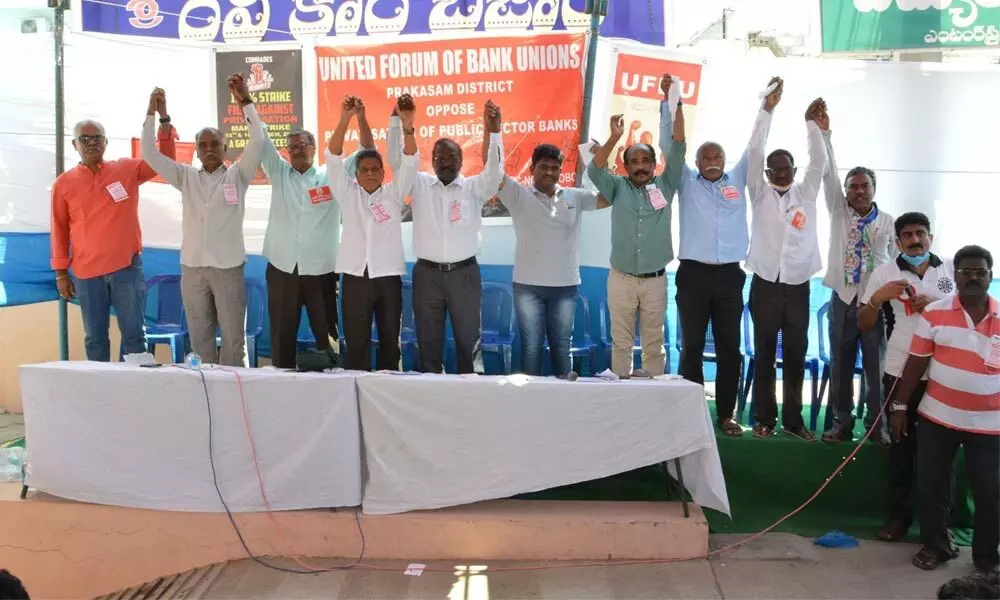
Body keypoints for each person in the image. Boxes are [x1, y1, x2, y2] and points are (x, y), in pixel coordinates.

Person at [672, 77, 777, 437]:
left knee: (730, 348)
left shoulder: (738, 179)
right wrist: (671, 103)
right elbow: (670, 145)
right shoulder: (685, 182)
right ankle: (689, 414)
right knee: (692, 348)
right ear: (697, 162)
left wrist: (767, 108)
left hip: (731, 277)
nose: (713, 161)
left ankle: (726, 415)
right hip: (692, 276)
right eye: (706, 156)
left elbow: (756, 145)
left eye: (717, 156)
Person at [140, 75, 264, 366]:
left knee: (234, 341)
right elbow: (149, 153)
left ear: (225, 147)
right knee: (199, 339)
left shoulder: (239, 175)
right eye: (203, 145)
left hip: (228, 267)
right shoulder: (185, 177)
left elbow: (258, 139)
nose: (209, 149)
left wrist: (245, 100)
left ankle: (235, 397)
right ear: (196, 150)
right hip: (193, 268)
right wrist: (155, 114)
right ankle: (206, 394)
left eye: (214, 144)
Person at [890, 245, 998, 575]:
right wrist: (899, 405)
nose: (974, 277)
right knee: (933, 486)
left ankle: (985, 555)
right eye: (967, 271)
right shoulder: (934, 312)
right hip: (938, 417)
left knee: (991, 492)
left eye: (981, 271)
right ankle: (937, 546)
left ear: (991, 276)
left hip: (991, 426)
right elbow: (916, 363)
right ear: (956, 276)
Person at [50, 90, 176, 362]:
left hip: (126, 269)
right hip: (86, 274)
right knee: (94, 338)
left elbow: (163, 160)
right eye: (85, 138)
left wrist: (162, 117)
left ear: (105, 143)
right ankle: (101, 398)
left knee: (134, 336)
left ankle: (136, 395)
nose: (91, 143)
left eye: (96, 138)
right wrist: (61, 272)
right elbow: (59, 228)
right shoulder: (64, 183)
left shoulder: (126, 169)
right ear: (75, 145)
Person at [387, 94, 504, 374]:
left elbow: (494, 173)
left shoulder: (474, 189)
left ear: (462, 160)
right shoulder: (420, 184)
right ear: (433, 161)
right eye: (440, 158)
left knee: (468, 340)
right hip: (427, 276)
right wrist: (398, 121)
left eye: (452, 157)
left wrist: (495, 132)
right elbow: (396, 159)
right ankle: (432, 393)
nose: (446, 162)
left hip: (464, 275)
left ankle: (471, 393)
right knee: (428, 341)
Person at [857, 212, 955, 543]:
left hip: (945, 372)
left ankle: (942, 524)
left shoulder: (952, 268)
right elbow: (864, 323)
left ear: (930, 237)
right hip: (900, 370)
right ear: (897, 241)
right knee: (901, 448)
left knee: (941, 452)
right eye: (908, 235)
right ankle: (899, 518)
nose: (915, 240)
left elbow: (968, 309)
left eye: (921, 234)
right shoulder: (884, 273)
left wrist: (937, 303)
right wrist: (877, 297)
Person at [258, 109, 374, 369]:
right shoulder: (278, 172)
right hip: (282, 268)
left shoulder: (330, 175)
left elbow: (367, 147)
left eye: (302, 145)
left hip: (321, 270)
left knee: (328, 334)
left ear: (314, 147)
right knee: (282, 334)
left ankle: (332, 377)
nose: (297, 150)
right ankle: (280, 380)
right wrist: (245, 101)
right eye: (292, 147)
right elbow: (261, 137)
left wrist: (356, 117)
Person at [587, 74, 685, 378]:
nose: (640, 166)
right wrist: (615, 138)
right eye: (634, 162)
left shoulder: (667, 184)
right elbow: (594, 168)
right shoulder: (617, 187)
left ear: (655, 164)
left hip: (656, 280)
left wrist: (674, 101)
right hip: (622, 279)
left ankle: (654, 399)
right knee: (621, 343)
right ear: (626, 166)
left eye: (646, 161)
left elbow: (679, 144)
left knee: (655, 344)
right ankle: (623, 398)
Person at [745, 89, 828, 440]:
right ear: (766, 172)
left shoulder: (806, 192)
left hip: (797, 285)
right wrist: (766, 109)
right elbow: (753, 150)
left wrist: (812, 125)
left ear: (794, 170)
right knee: (764, 352)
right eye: (774, 168)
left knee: (795, 353)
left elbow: (820, 161)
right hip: (764, 282)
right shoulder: (758, 192)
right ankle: (764, 418)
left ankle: (794, 422)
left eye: (786, 168)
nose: (781, 173)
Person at [818, 108, 896, 444]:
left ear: (874, 189)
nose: (859, 191)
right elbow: (828, 175)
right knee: (841, 365)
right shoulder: (838, 211)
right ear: (846, 191)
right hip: (842, 298)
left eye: (865, 186)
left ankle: (877, 426)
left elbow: (895, 260)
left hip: (874, 303)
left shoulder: (889, 222)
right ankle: (841, 424)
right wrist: (825, 135)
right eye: (854, 186)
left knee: (875, 370)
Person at [495, 144, 609, 376]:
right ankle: (532, 402)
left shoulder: (574, 196)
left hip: (564, 286)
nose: (549, 172)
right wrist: (493, 132)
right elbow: (494, 175)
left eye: (554, 168)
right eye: (543, 166)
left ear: (560, 171)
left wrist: (598, 160)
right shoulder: (517, 194)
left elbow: (608, 197)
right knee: (532, 347)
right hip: (528, 287)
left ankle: (564, 403)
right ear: (531, 169)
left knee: (561, 346)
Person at [326, 95, 417, 371]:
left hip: (387, 277)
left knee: (391, 341)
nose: (370, 173)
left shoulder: (393, 193)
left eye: (376, 169)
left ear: (382, 172)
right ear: (356, 173)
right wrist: (346, 119)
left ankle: (389, 394)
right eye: (364, 169)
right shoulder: (346, 192)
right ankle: (358, 395)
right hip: (355, 278)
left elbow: (410, 161)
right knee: (357, 342)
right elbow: (333, 156)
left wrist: (408, 127)